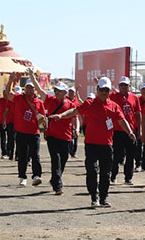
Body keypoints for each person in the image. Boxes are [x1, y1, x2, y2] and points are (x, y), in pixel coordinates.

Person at [51, 76, 136, 208]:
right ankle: (93, 197)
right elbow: (75, 111)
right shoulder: (90, 104)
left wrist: (129, 131)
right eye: (102, 89)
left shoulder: (114, 106)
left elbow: (122, 120)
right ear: (97, 89)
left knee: (105, 173)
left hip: (107, 145)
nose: (104, 92)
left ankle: (103, 198)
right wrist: (61, 115)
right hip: (91, 145)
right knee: (92, 170)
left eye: (106, 90)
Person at [4, 72, 46, 187]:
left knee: (35, 155)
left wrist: (42, 121)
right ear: (25, 88)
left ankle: (37, 176)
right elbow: (8, 94)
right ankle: (22, 177)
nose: (29, 90)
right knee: (22, 156)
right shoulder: (19, 98)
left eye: (31, 88)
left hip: (34, 133)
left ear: (35, 89)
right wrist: (10, 81)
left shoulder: (39, 102)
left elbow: (42, 118)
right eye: (27, 87)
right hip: (21, 132)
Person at [43, 81, 75, 194]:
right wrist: (32, 77)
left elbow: (75, 116)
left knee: (64, 159)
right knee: (55, 159)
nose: (56, 92)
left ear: (65, 92)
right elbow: (40, 91)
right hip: (52, 136)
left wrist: (75, 129)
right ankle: (58, 186)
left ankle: (54, 179)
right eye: (55, 90)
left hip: (66, 137)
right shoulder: (51, 100)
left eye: (59, 91)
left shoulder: (70, 104)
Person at [109, 76, 141, 185]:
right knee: (117, 155)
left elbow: (138, 114)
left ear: (129, 86)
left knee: (130, 155)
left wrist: (139, 129)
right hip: (117, 130)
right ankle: (113, 175)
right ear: (119, 86)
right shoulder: (113, 96)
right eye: (121, 85)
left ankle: (128, 177)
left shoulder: (134, 98)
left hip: (130, 130)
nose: (123, 87)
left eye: (125, 85)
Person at [135, 83, 145, 171]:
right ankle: (138, 164)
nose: (144, 91)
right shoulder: (137, 100)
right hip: (138, 126)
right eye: (143, 90)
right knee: (138, 146)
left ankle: (144, 165)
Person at [66, 87, 82, 158]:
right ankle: (69, 151)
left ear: (74, 94)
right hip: (67, 122)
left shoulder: (76, 102)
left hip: (75, 120)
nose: (71, 93)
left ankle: (73, 153)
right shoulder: (65, 100)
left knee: (75, 139)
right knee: (69, 139)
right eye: (69, 92)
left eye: (72, 92)